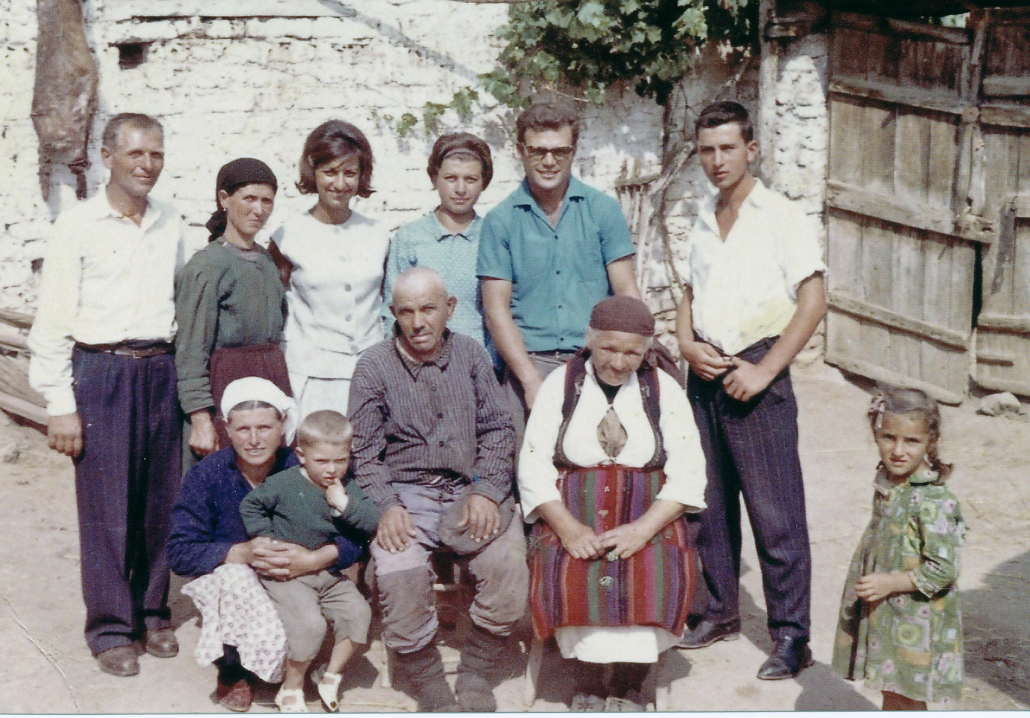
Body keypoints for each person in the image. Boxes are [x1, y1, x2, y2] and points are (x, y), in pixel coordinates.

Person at [28, 112, 189, 677]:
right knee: (106, 505)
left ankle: (152, 610)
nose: (147, 165)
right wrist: (59, 403)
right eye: (136, 154)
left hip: (158, 370)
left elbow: (178, 299)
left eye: (156, 154)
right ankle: (111, 627)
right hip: (101, 370)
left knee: (159, 499)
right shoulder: (78, 224)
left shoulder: (171, 222)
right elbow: (51, 321)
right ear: (107, 157)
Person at [674, 100, 827, 679]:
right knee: (709, 503)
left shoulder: (781, 215)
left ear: (751, 149)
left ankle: (791, 635)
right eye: (707, 150)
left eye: (727, 148)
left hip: (757, 366)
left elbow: (812, 301)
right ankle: (719, 611)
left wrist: (765, 372)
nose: (716, 161)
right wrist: (686, 344)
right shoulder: (702, 215)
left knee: (775, 512)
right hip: (705, 368)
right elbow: (689, 290)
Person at [347, 267, 528, 712]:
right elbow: (365, 453)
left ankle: (477, 674)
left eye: (428, 309)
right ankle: (429, 683)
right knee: (397, 569)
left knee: (508, 566)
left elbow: (499, 430)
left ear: (450, 308)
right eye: (406, 312)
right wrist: (386, 505)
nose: (418, 322)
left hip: (472, 488)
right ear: (393, 314)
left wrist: (486, 491)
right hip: (407, 493)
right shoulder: (373, 364)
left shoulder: (470, 355)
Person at [519, 296, 707, 711]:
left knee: (654, 567)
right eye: (608, 348)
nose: (619, 362)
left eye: (632, 352)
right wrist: (568, 529)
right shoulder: (561, 385)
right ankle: (586, 679)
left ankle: (631, 681)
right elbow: (532, 465)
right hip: (573, 511)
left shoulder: (664, 389)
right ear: (590, 341)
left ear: (645, 351)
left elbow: (690, 471)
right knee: (573, 567)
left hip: (648, 512)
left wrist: (643, 530)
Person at [168, 378, 368, 712]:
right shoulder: (208, 475)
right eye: (243, 429)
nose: (255, 439)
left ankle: (301, 670)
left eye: (265, 427)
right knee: (234, 578)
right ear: (227, 429)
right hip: (241, 582)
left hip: (298, 576)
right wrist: (239, 553)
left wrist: (316, 558)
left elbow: (356, 534)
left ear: (283, 427)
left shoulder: (306, 465)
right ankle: (233, 671)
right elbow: (180, 551)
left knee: (328, 617)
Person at [477, 100, 640, 422]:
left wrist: (623, 362)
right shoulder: (500, 221)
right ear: (521, 151)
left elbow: (627, 293)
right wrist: (529, 379)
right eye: (538, 152)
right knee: (530, 470)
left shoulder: (603, 210)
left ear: (574, 151)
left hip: (596, 361)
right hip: (528, 364)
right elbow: (496, 310)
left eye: (559, 152)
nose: (549, 162)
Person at [832, 386, 965, 710]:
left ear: (930, 442)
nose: (898, 451)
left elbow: (944, 568)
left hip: (916, 618)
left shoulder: (935, 501)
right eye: (888, 437)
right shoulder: (888, 481)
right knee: (890, 689)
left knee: (908, 694)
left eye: (912, 441)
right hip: (888, 613)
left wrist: (889, 582)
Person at [240, 410, 380, 713]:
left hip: (327, 573)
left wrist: (343, 503)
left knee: (359, 615)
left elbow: (370, 522)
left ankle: (330, 676)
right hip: (288, 575)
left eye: (340, 461)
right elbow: (251, 505)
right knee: (309, 625)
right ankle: (291, 686)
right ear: (302, 455)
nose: (332, 470)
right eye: (322, 461)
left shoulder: (346, 487)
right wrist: (266, 540)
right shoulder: (283, 483)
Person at [269, 119, 390, 420]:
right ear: (313, 171)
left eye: (350, 173)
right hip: (312, 377)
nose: (340, 184)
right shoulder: (287, 236)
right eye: (330, 172)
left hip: (370, 373)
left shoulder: (378, 234)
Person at [176, 158, 288, 457]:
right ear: (224, 199)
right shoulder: (207, 266)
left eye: (267, 201)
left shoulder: (266, 261)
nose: (259, 209)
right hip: (224, 391)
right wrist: (201, 419)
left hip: (268, 388)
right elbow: (190, 352)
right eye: (249, 198)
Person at [385, 132, 494, 357]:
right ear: (434, 179)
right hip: (418, 365)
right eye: (451, 178)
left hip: (479, 363)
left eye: (471, 179)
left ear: (484, 183)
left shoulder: (493, 237)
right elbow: (391, 311)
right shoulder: (410, 238)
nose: (461, 189)